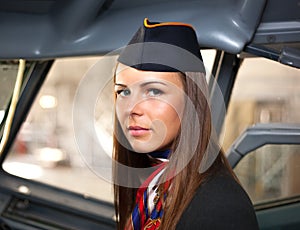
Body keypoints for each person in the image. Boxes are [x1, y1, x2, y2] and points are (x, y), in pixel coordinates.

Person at [112, 18, 259, 230]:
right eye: (123, 91)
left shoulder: (221, 206)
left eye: (154, 91)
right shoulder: (151, 182)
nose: (131, 108)